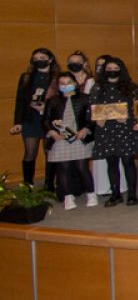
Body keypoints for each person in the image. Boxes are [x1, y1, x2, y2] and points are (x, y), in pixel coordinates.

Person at [90, 58, 138, 206]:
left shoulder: (130, 87)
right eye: (109, 68)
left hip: (125, 129)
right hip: (106, 129)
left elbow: (137, 109)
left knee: (128, 161)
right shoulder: (98, 87)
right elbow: (93, 107)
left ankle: (132, 194)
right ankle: (115, 194)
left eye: (115, 67)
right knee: (111, 163)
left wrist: (128, 119)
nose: (112, 70)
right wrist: (97, 119)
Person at [44, 72, 96, 209]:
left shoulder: (85, 99)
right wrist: (52, 132)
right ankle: (68, 196)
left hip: (79, 138)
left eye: (68, 83)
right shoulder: (53, 101)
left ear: (75, 83)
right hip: (60, 140)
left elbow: (92, 119)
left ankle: (91, 194)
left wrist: (85, 130)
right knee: (63, 168)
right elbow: (45, 120)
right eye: (62, 84)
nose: (66, 86)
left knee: (82, 167)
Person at [10, 48, 58, 186]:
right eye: (35, 58)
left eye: (42, 57)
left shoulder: (57, 78)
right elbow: (20, 101)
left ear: (50, 59)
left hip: (49, 120)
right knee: (30, 152)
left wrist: (45, 108)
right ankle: (28, 185)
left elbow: (60, 101)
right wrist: (17, 122)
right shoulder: (26, 77)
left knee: (50, 152)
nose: (39, 61)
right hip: (30, 119)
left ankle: (49, 184)